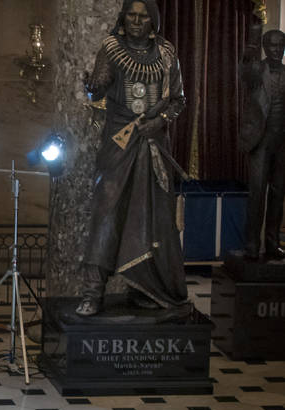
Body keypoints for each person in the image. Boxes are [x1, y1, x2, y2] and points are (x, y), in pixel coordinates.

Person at [76, 0, 189, 317]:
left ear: (153, 21)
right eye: (132, 15)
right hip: (118, 144)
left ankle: (146, 287)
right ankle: (91, 293)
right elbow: (97, 89)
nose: (137, 21)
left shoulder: (167, 54)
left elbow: (179, 99)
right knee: (107, 213)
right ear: (123, 17)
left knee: (153, 217)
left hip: (153, 145)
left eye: (143, 16)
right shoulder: (111, 48)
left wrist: (161, 119)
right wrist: (91, 85)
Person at [240, 27, 285, 261]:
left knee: (278, 195)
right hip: (260, 141)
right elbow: (246, 68)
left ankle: (272, 243)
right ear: (266, 48)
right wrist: (251, 44)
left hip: (282, 144)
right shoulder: (257, 71)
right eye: (273, 46)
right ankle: (251, 245)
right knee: (256, 194)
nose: (277, 50)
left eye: (281, 45)